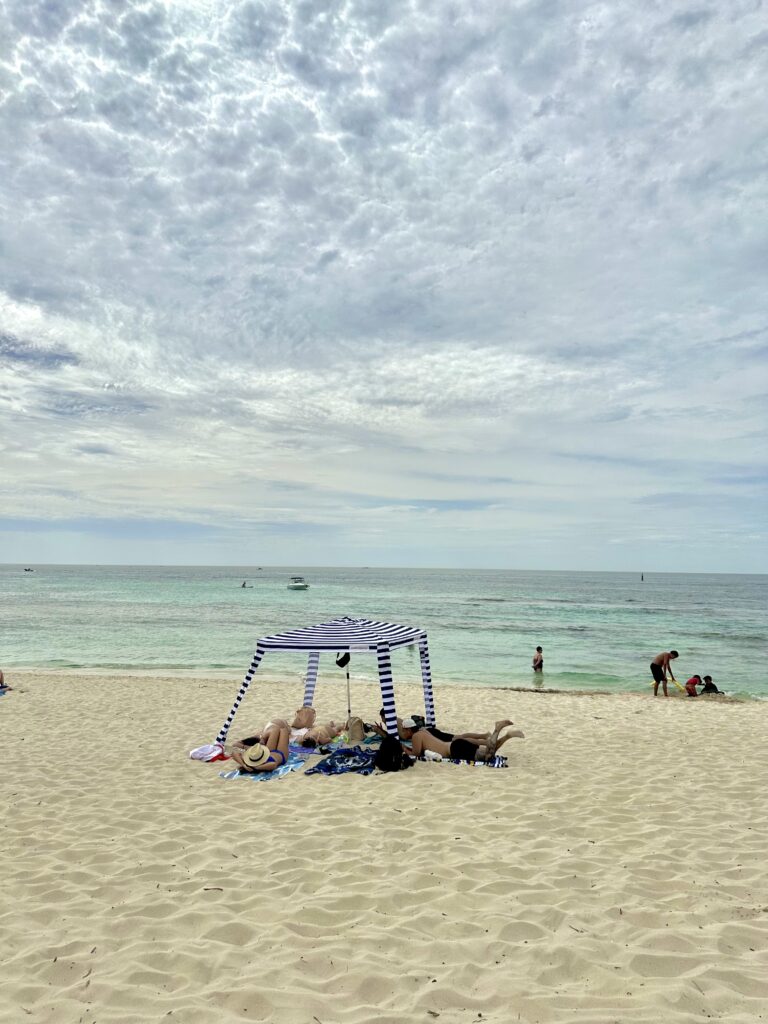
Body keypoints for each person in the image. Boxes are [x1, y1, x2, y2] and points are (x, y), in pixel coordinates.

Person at [403, 719, 524, 762]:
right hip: (455, 745)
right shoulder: (423, 731)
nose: (403, 733)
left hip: (454, 750)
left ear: (409, 729)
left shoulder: (416, 736)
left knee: (488, 756)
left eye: (404, 730)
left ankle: (497, 729)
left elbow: (416, 754)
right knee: (489, 751)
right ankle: (507, 736)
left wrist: (403, 748)